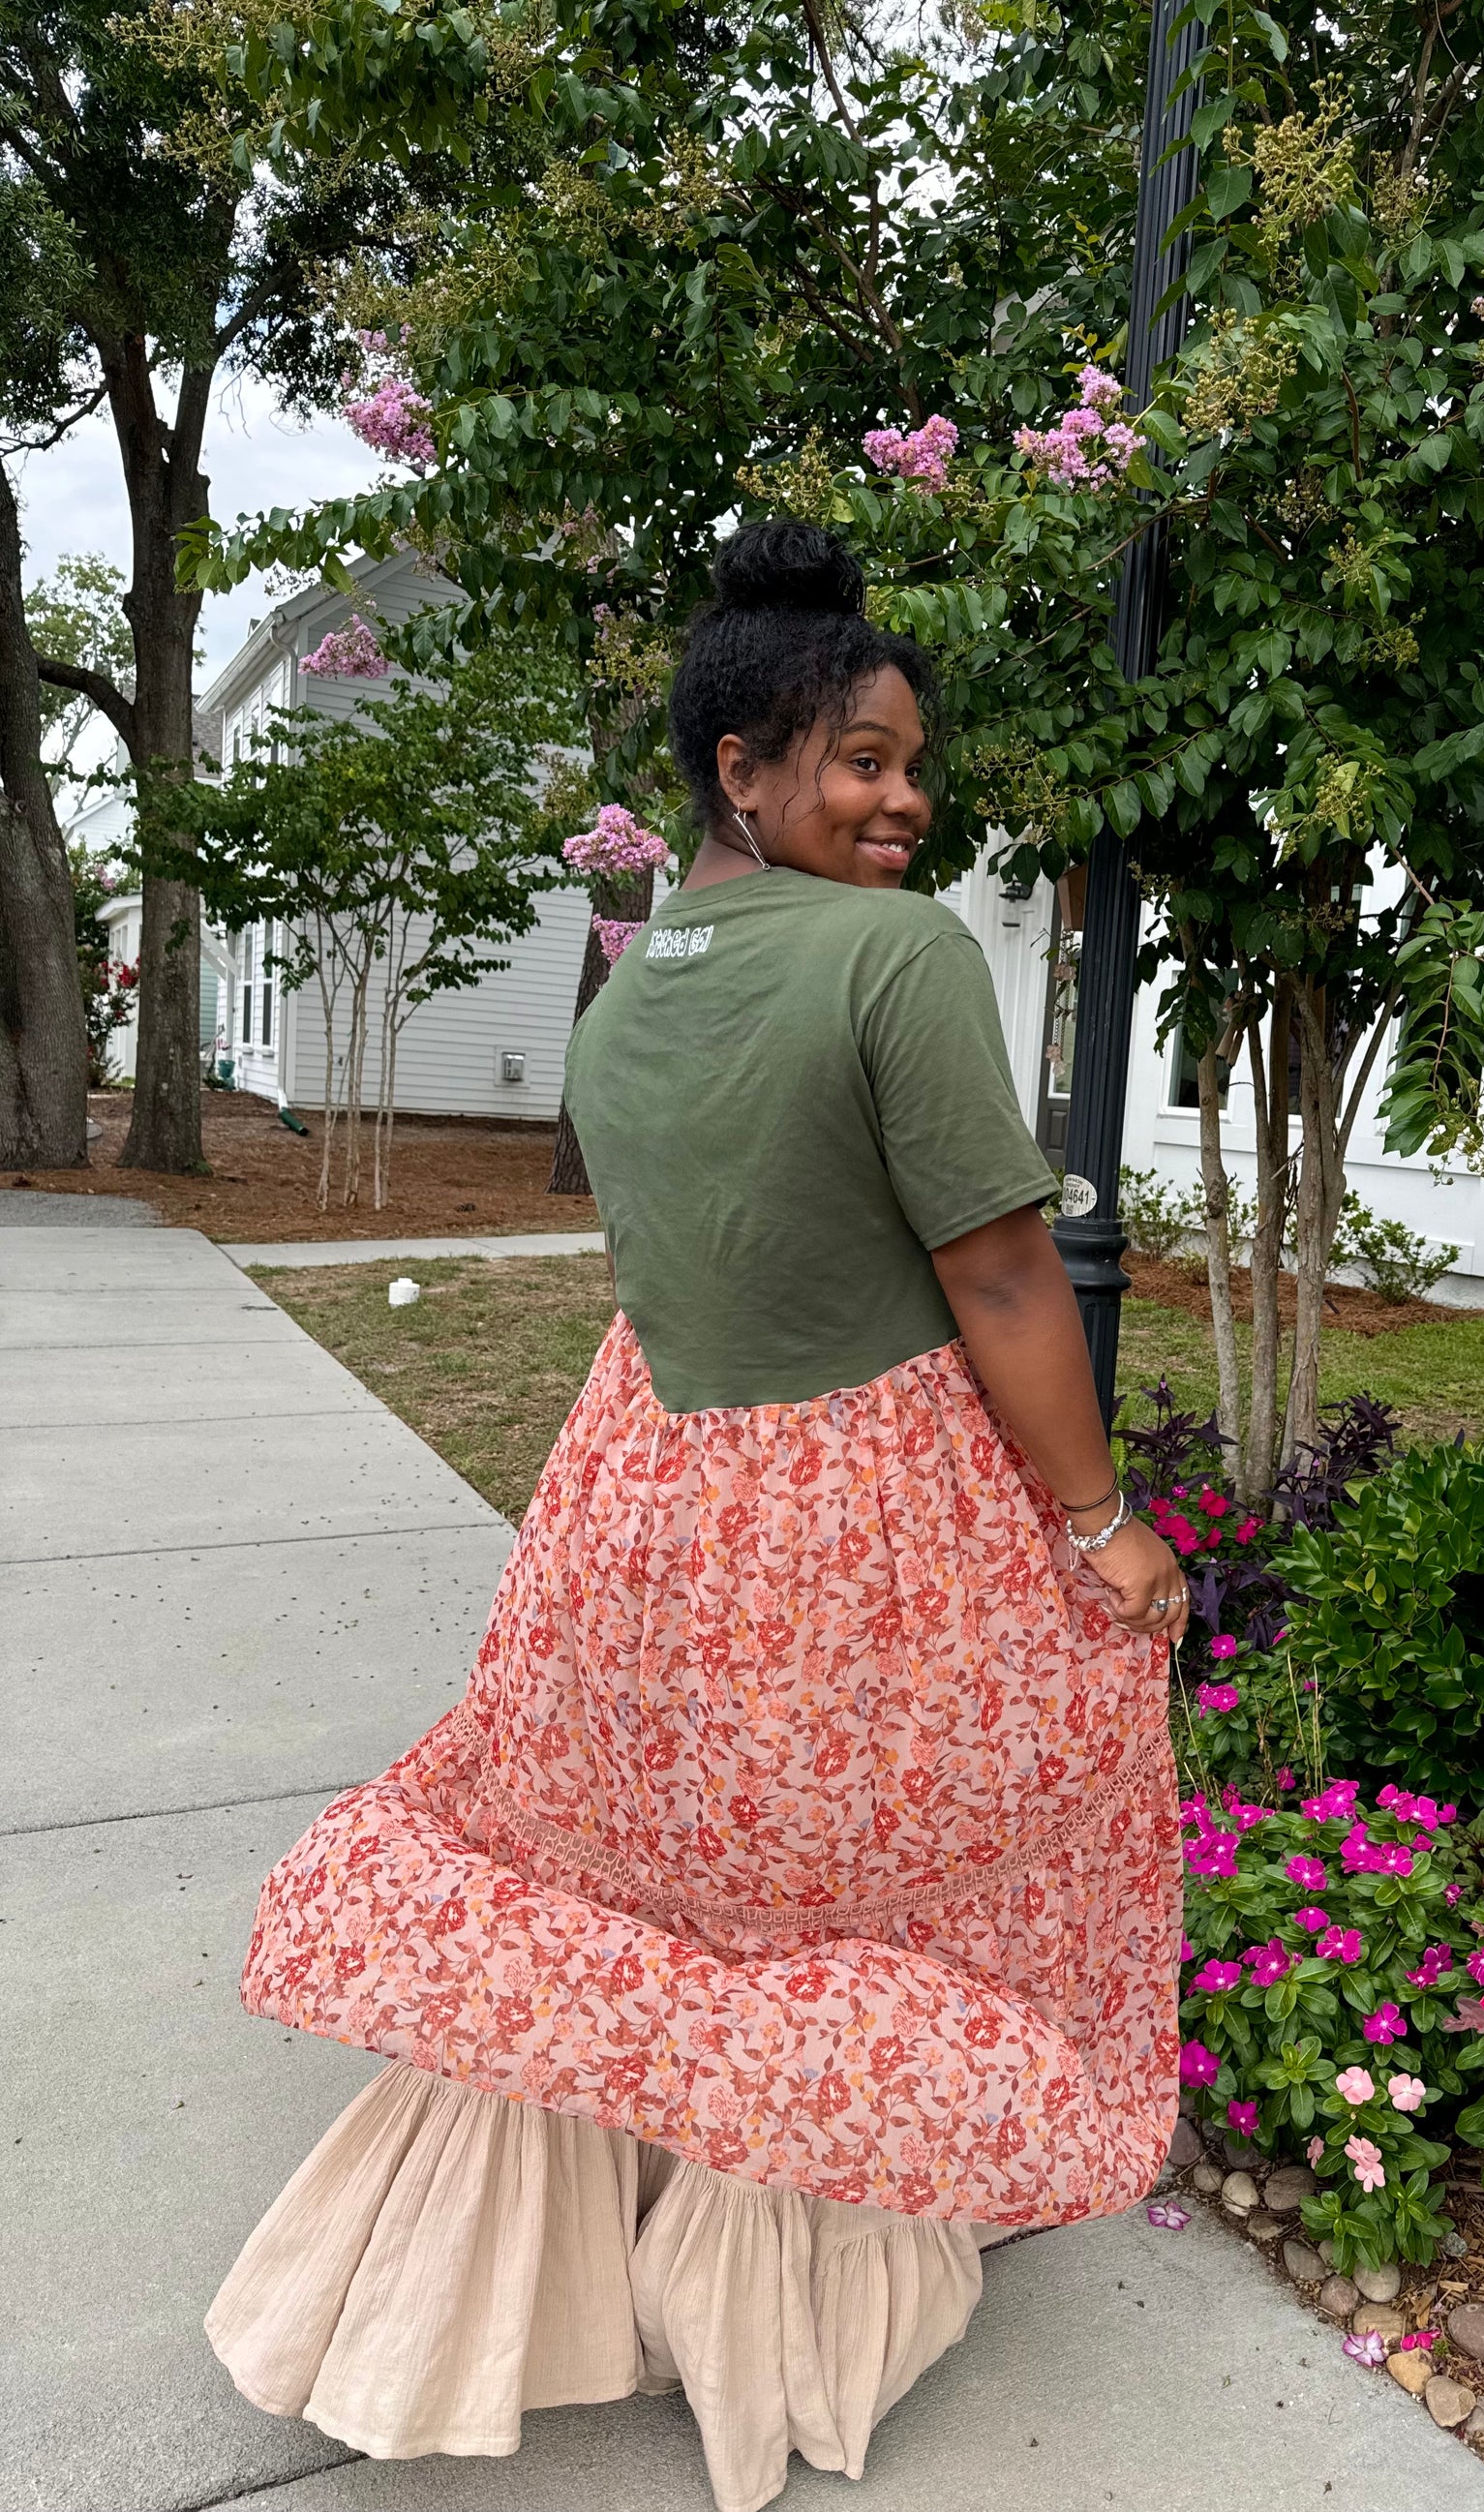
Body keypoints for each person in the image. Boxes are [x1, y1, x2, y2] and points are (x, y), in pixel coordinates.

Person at [205, 518, 1188, 2512]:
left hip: (640, 1492)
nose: (905, 800)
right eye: (861, 760)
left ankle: (605, 2242)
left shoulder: (627, 987)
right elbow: (1002, 1271)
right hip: (852, 1495)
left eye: (913, 765)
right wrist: (1098, 1521)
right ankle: (801, 2271)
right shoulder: (900, 957)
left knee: (657, 1866)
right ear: (740, 766)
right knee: (903, 1853)